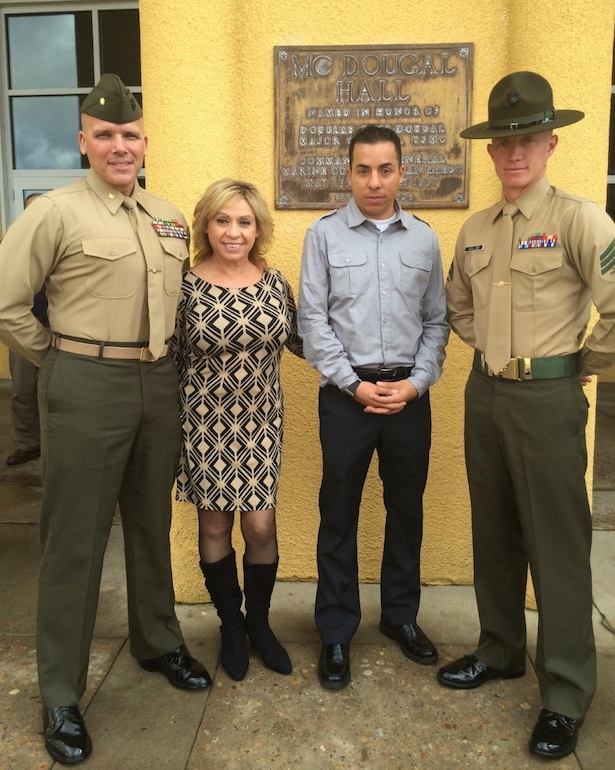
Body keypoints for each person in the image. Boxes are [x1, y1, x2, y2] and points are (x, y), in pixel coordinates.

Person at [0, 74, 211, 765]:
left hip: (159, 382)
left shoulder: (168, 216)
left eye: (129, 135)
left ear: (144, 142)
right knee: (75, 542)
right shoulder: (52, 213)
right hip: (85, 383)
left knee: (151, 525)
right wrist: (57, 361)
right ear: (83, 141)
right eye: (106, 135)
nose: (119, 146)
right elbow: (7, 303)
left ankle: (157, 641)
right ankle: (60, 690)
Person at [441, 71, 615, 760]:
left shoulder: (578, 219)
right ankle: (500, 648)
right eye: (501, 141)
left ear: (549, 143)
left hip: (547, 400)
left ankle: (566, 690)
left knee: (556, 547)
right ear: (488, 152)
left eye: (527, 139)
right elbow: (458, 306)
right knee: (495, 532)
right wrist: (492, 351)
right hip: (484, 395)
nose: (513, 151)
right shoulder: (476, 229)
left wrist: (581, 363)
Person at [298, 124, 450, 690]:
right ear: (349, 173)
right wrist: (353, 384)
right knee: (338, 513)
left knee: (405, 510)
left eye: (386, 169)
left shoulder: (424, 240)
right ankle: (336, 630)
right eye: (363, 169)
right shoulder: (324, 236)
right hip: (347, 398)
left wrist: (416, 382)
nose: (374, 181)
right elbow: (312, 322)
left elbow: (437, 321)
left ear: (402, 172)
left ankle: (400, 617)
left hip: (409, 397)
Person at [171, 178, 303, 681]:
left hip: (260, 420)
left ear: (258, 228)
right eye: (223, 220)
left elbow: (301, 341)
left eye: (244, 221)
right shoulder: (185, 285)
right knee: (214, 525)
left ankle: (260, 624)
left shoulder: (274, 282)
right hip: (203, 420)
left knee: (260, 525)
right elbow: (172, 355)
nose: (233, 231)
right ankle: (230, 624)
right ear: (207, 224)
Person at [6, 193, 47, 466]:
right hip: (24, 329)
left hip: (63, 330)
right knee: (23, 390)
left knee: (61, 393)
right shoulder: (15, 244)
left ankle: (58, 443)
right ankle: (29, 443)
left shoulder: (63, 240)